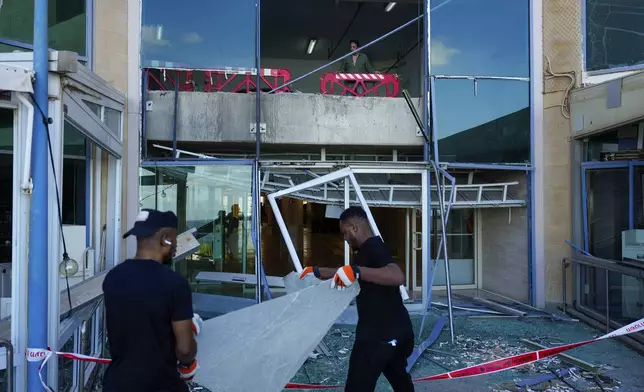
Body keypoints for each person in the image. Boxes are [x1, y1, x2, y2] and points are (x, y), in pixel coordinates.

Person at [299, 206, 415, 392]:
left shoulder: (374, 247)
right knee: (399, 378)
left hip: (378, 336)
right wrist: (318, 271)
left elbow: (397, 276)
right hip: (397, 331)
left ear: (354, 227)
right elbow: (351, 274)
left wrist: (357, 271)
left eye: (345, 233)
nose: (344, 238)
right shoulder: (365, 250)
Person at [102, 209, 204, 392]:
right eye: (174, 240)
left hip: (116, 384)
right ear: (165, 239)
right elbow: (185, 350)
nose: (175, 246)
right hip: (160, 386)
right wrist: (189, 336)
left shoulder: (113, 278)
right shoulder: (175, 284)